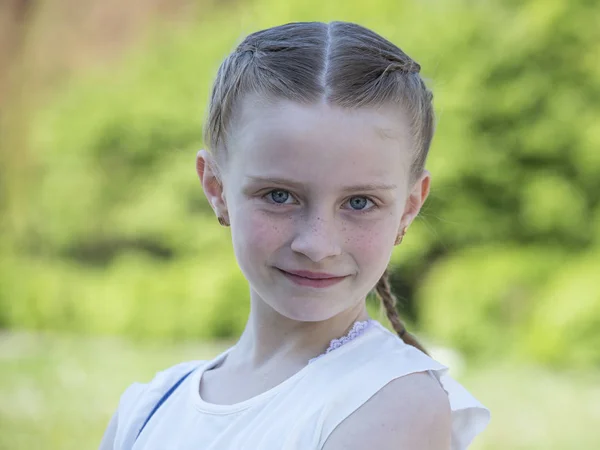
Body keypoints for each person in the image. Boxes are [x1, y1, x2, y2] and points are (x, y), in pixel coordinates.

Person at [99, 21, 490, 450]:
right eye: (279, 195)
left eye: (359, 203)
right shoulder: (150, 408)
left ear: (409, 208)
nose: (317, 245)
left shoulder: (392, 404)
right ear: (216, 187)